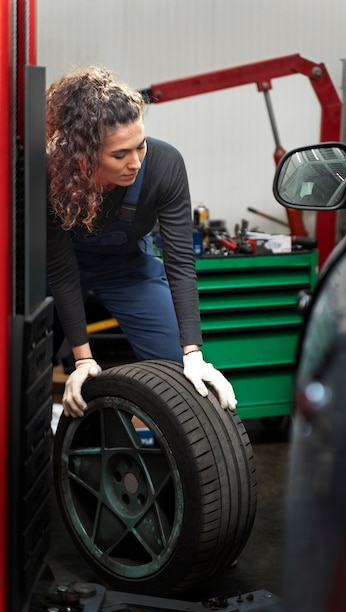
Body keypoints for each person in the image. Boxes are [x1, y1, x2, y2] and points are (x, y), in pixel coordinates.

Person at [46, 66, 236, 418]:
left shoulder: (165, 166)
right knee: (26, 366)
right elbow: (61, 272)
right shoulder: (54, 177)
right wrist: (83, 359)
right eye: (119, 155)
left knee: (179, 377)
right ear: (83, 157)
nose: (135, 162)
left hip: (129, 270)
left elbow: (180, 262)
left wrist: (193, 353)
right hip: (60, 273)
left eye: (141, 146)